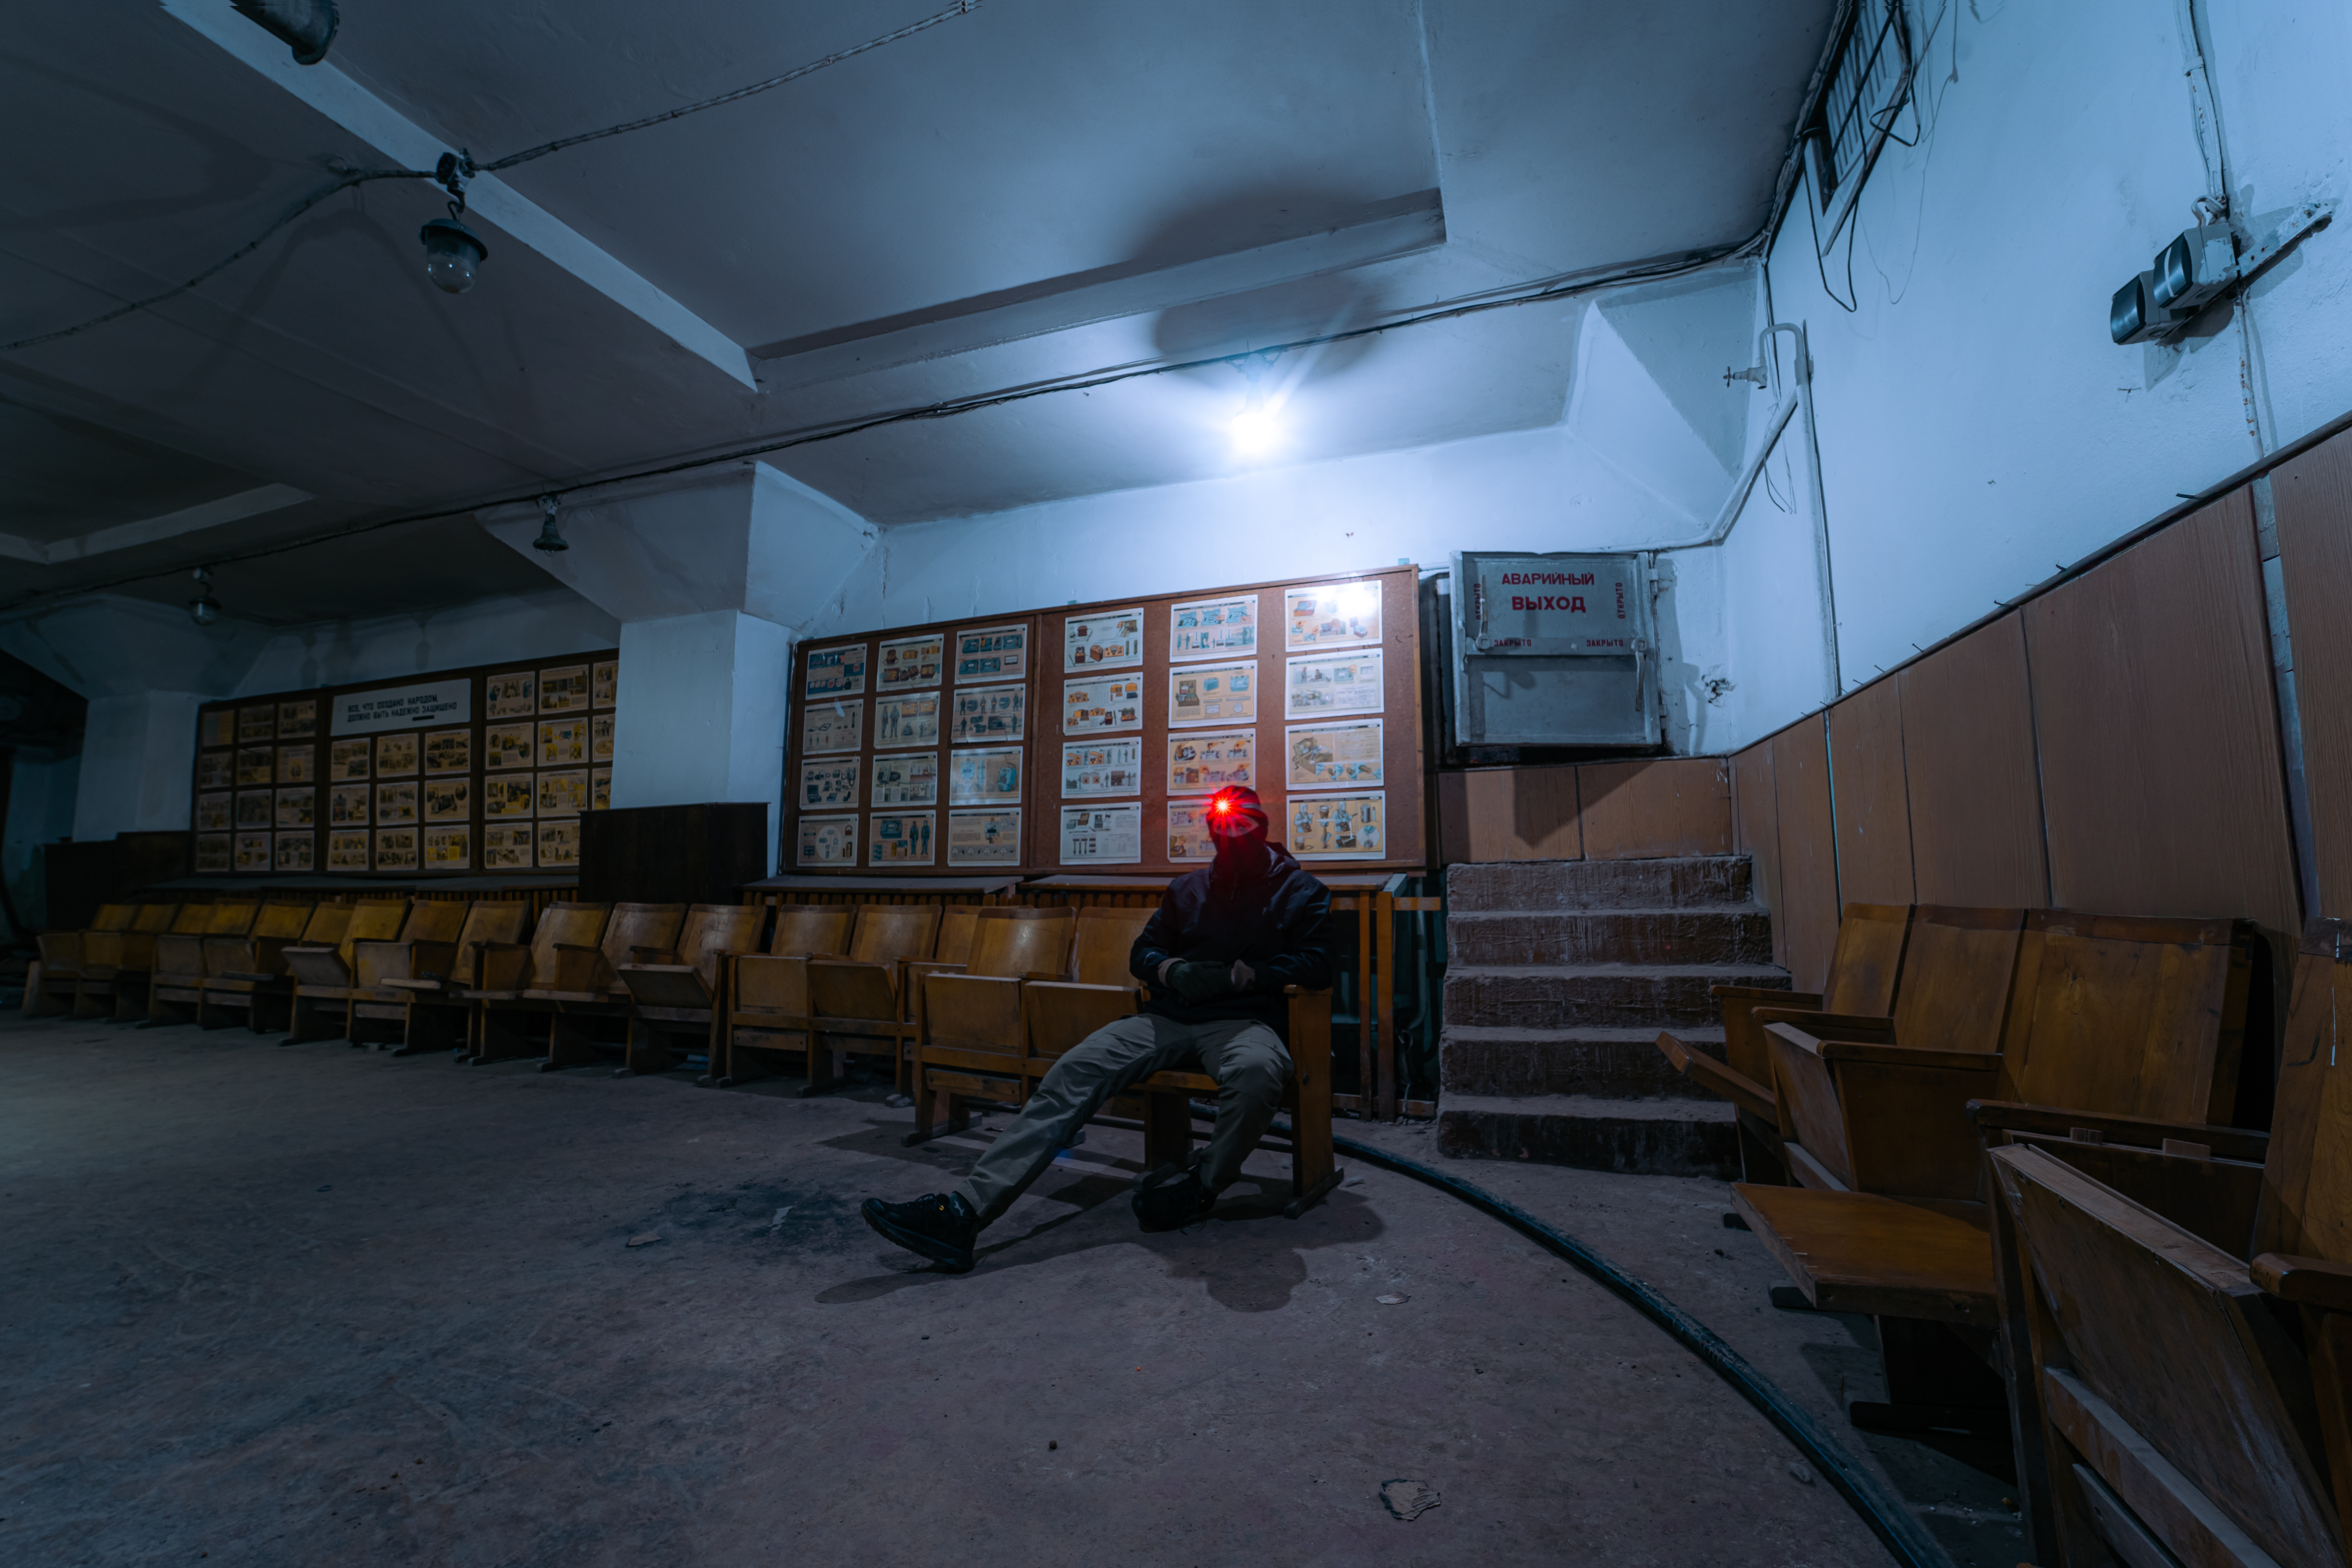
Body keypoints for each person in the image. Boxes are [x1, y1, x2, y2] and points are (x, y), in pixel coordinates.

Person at [861, 786, 1333, 1272]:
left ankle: (1202, 1186)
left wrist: (1252, 974)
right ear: (1211, 832)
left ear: (1262, 829)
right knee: (1076, 1069)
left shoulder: (1301, 891)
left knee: (1258, 1074)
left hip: (1244, 1021)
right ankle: (965, 1210)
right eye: (1221, 828)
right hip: (1170, 1018)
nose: (1230, 838)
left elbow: (1320, 965)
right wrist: (1173, 970)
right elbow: (1142, 954)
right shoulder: (1188, 889)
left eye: (1241, 828)